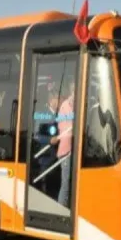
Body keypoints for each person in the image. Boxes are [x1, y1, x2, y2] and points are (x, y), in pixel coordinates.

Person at [50, 78, 75, 206]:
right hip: (66, 150)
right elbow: (64, 128)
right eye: (72, 89)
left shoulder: (74, 104)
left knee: (69, 182)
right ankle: (61, 208)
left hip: (72, 147)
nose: (74, 92)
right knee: (66, 183)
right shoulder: (66, 105)